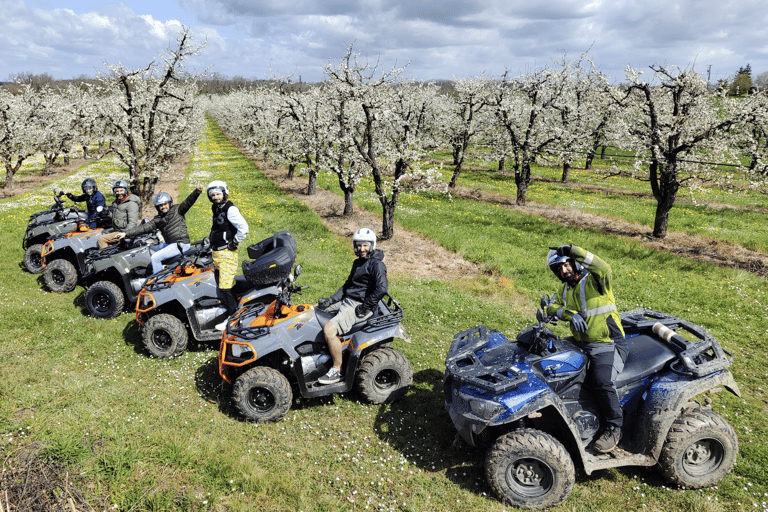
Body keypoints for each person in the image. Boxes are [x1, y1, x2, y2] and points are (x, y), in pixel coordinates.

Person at [545, 244, 627, 453]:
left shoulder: (596, 282)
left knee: (601, 381)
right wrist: (569, 314)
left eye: (566, 264)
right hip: (581, 342)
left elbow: (604, 268)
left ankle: (614, 427)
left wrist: (573, 250)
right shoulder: (565, 289)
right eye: (558, 269)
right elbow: (552, 305)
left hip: (607, 343)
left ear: (575, 262)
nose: (564, 271)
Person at [316, 228, 388, 385]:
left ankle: (337, 369)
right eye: (359, 246)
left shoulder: (376, 265)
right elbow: (347, 286)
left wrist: (366, 306)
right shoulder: (357, 263)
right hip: (348, 300)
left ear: (372, 245)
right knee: (313, 311)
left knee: (329, 330)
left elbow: (382, 288)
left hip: (359, 306)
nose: (362, 249)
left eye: (365, 246)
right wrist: (330, 300)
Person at [113, 183, 203, 274]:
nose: (163, 207)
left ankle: (158, 280)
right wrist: (126, 233)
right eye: (160, 205)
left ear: (169, 203)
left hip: (180, 244)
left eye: (165, 204)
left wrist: (197, 191)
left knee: (155, 258)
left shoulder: (178, 210)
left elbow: (188, 202)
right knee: (150, 249)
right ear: (157, 207)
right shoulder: (158, 219)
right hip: (169, 244)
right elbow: (144, 228)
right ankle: (163, 269)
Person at [207, 180, 249, 331]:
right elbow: (218, 226)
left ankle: (233, 318)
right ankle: (231, 307)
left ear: (224, 193)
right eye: (212, 195)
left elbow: (243, 228)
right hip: (216, 252)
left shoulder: (230, 209)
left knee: (225, 287)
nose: (215, 197)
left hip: (226, 253)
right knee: (221, 284)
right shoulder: (216, 207)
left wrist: (234, 242)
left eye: (218, 194)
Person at [97, 180, 142, 249]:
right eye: (117, 191)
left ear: (126, 190)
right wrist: (108, 213)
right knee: (100, 232)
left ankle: (106, 257)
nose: (119, 193)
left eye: (121, 190)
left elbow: (133, 223)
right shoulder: (116, 202)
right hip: (117, 229)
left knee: (101, 239)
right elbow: (116, 217)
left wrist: (125, 234)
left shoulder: (131, 204)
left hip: (125, 231)